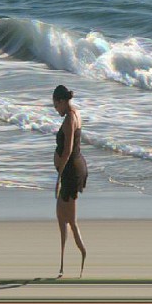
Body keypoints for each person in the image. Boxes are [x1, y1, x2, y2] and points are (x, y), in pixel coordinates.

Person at [52, 84, 88, 277]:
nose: (55, 108)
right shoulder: (75, 113)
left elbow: (67, 152)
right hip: (75, 169)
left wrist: (58, 179)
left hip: (70, 173)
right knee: (64, 217)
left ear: (62, 101)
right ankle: (65, 262)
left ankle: (79, 256)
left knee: (68, 220)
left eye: (56, 105)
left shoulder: (69, 120)